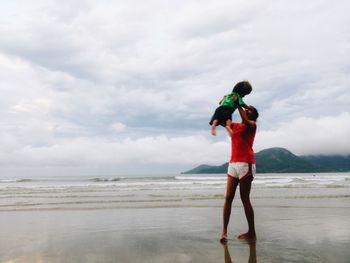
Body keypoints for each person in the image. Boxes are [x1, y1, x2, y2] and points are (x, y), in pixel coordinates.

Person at [220, 102, 259, 243]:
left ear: (252, 115)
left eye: (249, 109)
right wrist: (226, 105)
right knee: (228, 197)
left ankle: (252, 232)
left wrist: (238, 103)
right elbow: (228, 123)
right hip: (233, 164)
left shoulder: (252, 125)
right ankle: (224, 232)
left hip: (246, 164)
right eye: (246, 108)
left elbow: (243, 115)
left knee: (244, 198)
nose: (246, 109)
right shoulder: (237, 126)